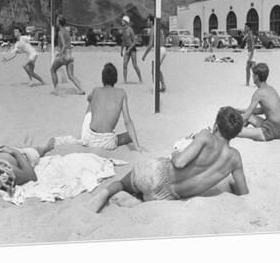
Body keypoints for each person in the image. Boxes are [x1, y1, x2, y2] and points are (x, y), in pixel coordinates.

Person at [89, 106, 249, 212]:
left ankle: (105, 194)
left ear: (215, 126)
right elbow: (243, 193)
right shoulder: (235, 158)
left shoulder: (206, 136)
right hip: (168, 196)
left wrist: (176, 152)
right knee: (144, 193)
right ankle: (140, 201)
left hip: (157, 174)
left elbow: (179, 163)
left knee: (122, 184)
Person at [81, 63, 145, 152]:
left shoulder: (96, 90)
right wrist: (137, 146)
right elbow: (127, 121)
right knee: (129, 135)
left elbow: (89, 99)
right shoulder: (122, 93)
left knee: (91, 104)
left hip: (89, 139)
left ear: (103, 78)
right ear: (115, 78)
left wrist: (91, 100)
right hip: (108, 142)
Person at [236, 63, 280, 141]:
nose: (252, 76)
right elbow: (262, 110)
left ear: (257, 76)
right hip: (279, 128)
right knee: (248, 116)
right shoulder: (270, 89)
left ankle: (222, 130)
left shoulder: (259, 93)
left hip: (270, 130)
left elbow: (246, 117)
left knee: (233, 131)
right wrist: (240, 110)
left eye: (253, 75)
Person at [50, 16, 85, 95]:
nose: (56, 22)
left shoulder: (60, 32)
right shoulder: (66, 31)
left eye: (56, 21)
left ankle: (56, 89)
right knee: (71, 76)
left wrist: (60, 54)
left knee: (52, 70)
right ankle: (81, 89)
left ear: (59, 22)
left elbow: (64, 45)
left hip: (65, 55)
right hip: (70, 55)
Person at [141, 15, 167, 92]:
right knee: (157, 69)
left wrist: (144, 55)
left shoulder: (152, 29)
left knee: (153, 70)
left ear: (151, 22)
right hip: (163, 49)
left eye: (148, 21)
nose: (147, 22)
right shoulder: (159, 29)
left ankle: (155, 87)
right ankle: (163, 85)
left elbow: (150, 45)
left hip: (159, 50)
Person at [120, 15, 142, 83]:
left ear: (126, 22)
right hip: (127, 48)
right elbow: (123, 41)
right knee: (124, 64)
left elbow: (134, 42)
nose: (121, 21)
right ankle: (125, 80)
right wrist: (121, 50)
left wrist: (129, 49)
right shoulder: (123, 30)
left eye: (123, 20)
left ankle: (140, 79)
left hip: (132, 48)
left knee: (134, 65)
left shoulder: (130, 30)